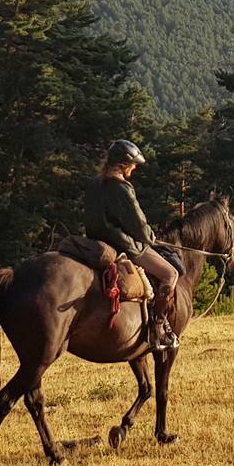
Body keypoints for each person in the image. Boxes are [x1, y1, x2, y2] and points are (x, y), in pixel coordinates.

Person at [84, 139, 180, 350]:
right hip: (123, 245)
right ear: (122, 164)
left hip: (94, 241)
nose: (135, 168)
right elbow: (137, 223)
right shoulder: (122, 187)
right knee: (170, 274)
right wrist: (149, 236)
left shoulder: (94, 183)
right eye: (133, 164)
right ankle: (158, 326)